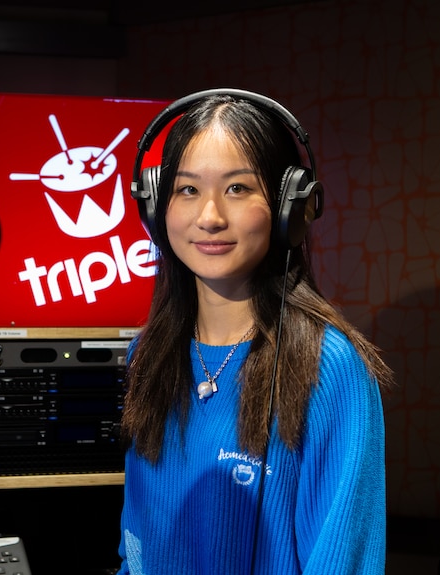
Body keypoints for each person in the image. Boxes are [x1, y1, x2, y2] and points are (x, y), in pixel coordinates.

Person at [118, 89, 394, 575]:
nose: (209, 217)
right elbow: (138, 545)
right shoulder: (149, 353)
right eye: (187, 190)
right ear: (156, 209)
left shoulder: (329, 365)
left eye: (238, 189)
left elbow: (342, 562)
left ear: (293, 207)